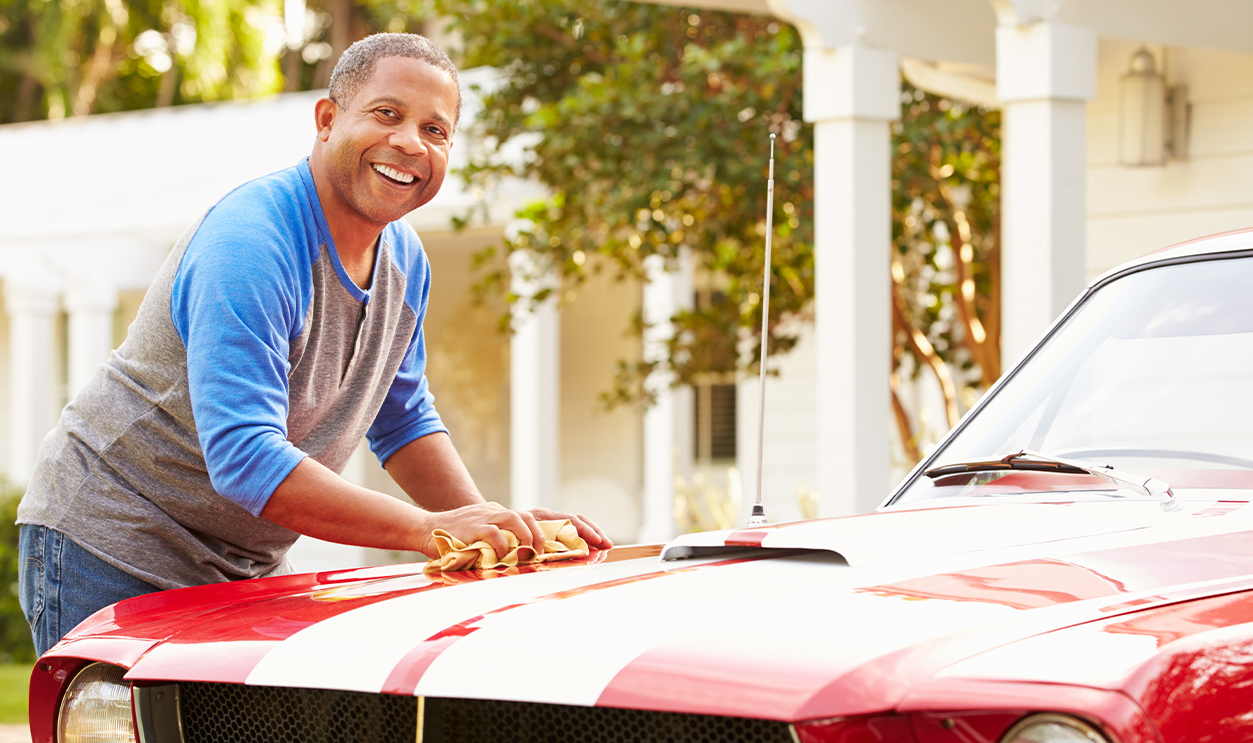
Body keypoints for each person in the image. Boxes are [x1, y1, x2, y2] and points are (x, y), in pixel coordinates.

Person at [15, 32, 610, 657]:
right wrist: (431, 531)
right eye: (387, 114)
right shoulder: (253, 241)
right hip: (110, 541)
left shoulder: (404, 259)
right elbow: (244, 457)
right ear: (327, 120)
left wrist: (495, 528)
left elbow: (402, 420)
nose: (410, 142)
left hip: (242, 559)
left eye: (435, 130)